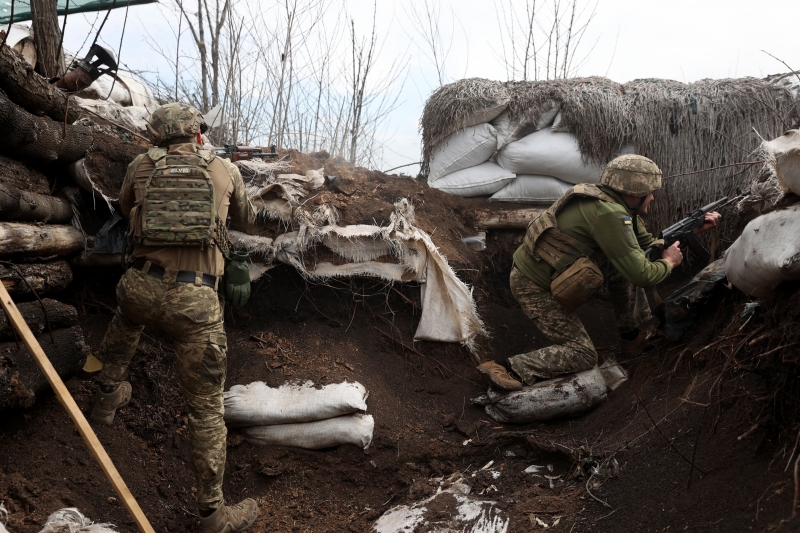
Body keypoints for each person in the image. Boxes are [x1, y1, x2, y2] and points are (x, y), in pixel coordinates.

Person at [89, 103, 259, 532]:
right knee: (205, 411)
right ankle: (212, 515)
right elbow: (247, 220)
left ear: (158, 134)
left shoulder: (140, 165)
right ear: (196, 132)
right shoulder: (224, 169)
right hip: (195, 302)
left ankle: (107, 396)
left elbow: (126, 205)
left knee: (125, 324)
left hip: (140, 287)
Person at [477, 154, 721, 391]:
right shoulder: (610, 215)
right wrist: (669, 264)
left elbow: (646, 245)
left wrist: (692, 232)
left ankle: (631, 337)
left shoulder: (608, 201)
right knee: (583, 355)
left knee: (623, 263)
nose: (653, 198)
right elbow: (643, 275)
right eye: (649, 192)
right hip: (533, 285)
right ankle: (507, 368)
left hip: (551, 274)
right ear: (634, 193)